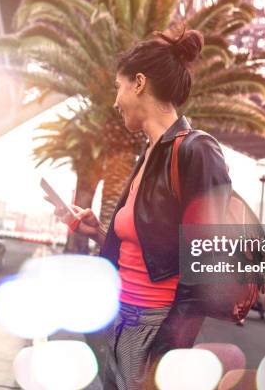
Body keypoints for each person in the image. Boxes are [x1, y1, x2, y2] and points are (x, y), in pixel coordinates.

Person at [46, 26, 232, 390]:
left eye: (119, 86)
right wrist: (98, 231)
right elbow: (151, 245)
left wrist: (168, 350)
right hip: (119, 317)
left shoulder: (196, 152)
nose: (116, 100)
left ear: (139, 83)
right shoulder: (146, 155)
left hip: (151, 327)